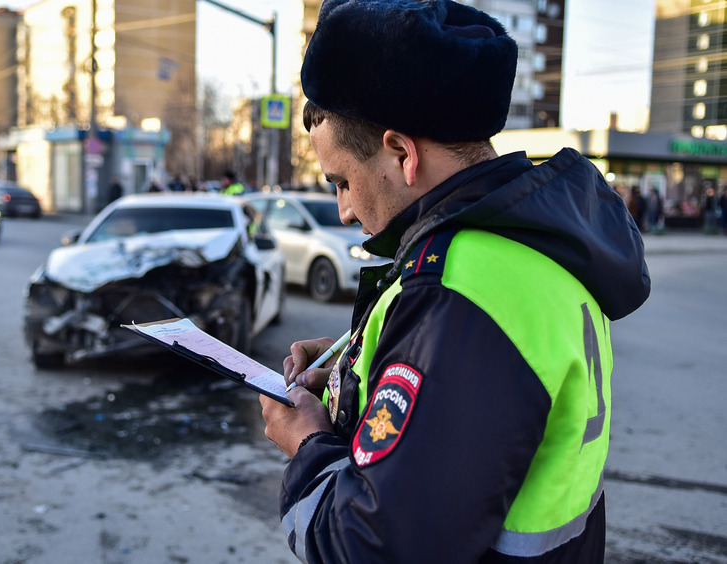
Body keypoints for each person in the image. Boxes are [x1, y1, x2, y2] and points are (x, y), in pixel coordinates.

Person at [259, 1, 651, 563]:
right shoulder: (535, 243)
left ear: (401, 153)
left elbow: (372, 546)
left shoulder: (456, 291)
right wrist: (363, 360)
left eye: (341, 181)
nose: (343, 209)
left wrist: (306, 441)